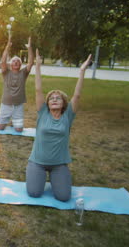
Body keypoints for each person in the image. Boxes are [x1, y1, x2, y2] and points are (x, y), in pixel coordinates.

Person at [26, 49, 92, 202]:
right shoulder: (43, 113)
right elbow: (38, 89)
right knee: (34, 193)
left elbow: (77, 95)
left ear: (64, 104)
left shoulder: (68, 115)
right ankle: (37, 174)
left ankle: (56, 179)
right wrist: (38, 66)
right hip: (38, 162)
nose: (54, 100)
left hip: (59, 164)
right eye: (51, 99)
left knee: (63, 197)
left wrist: (82, 71)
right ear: (47, 104)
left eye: (58, 98)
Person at [0, 36, 34, 132]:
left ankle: (14, 120)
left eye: (18, 61)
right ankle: (9, 119)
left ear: (20, 64)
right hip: (6, 104)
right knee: (0, 128)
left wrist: (29, 47)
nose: (16, 62)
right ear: (11, 64)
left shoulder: (23, 73)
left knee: (19, 130)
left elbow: (31, 62)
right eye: (14, 60)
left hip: (18, 105)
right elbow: (3, 61)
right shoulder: (6, 72)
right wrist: (7, 47)